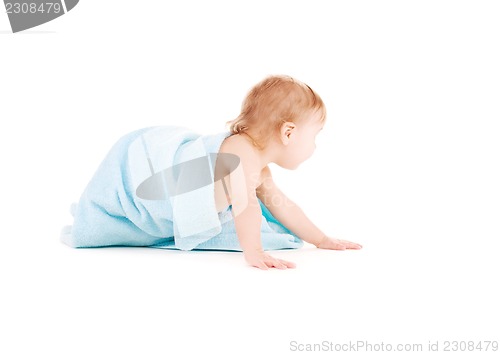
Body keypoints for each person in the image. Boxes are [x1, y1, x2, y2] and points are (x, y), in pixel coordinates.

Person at [216, 74, 362, 270]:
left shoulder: (261, 171)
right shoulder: (240, 151)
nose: (314, 146)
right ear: (288, 133)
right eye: (314, 136)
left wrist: (321, 239)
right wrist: (255, 251)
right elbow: (245, 205)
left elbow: (284, 207)